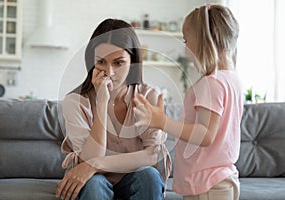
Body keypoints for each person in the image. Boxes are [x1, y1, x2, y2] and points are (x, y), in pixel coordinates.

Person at [133, 5, 242, 200]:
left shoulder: (212, 83)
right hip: (218, 181)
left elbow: (205, 134)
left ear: (203, 41)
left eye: (186, 40)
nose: (185, 47)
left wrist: (162, 122)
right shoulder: (231, 79)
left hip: (207, 184)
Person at [55, 18, 171, 200]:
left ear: (133, 61)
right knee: (94, 185)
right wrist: (101, 102)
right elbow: (88, 158)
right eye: (101, 62)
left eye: (118, 63)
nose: (109, 72)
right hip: (94, 181)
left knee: (149, 176)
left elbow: (152, 154)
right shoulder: (75, 102)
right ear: (91, 61)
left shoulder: (148, 96)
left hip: (133, 178)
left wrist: (95, 164)